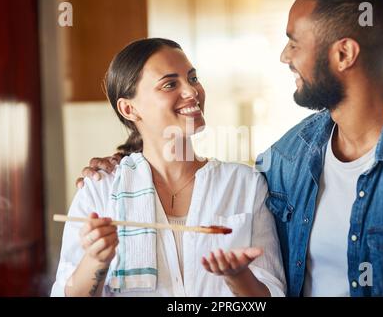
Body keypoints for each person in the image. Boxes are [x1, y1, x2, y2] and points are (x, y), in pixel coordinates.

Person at [77, 0, 383, 297]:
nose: (284, 56)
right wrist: (125, 165)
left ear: (344, 54)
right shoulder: (288, 158)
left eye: (294, 42)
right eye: (169, 84)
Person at [51, 38, 285, 297]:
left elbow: (272, 293)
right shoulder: (101, 190)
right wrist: (96, 260)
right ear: (129, 108)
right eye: (170, 84)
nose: (192, 91)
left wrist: (238, 276)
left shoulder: (245, 183)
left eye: (193, 78)